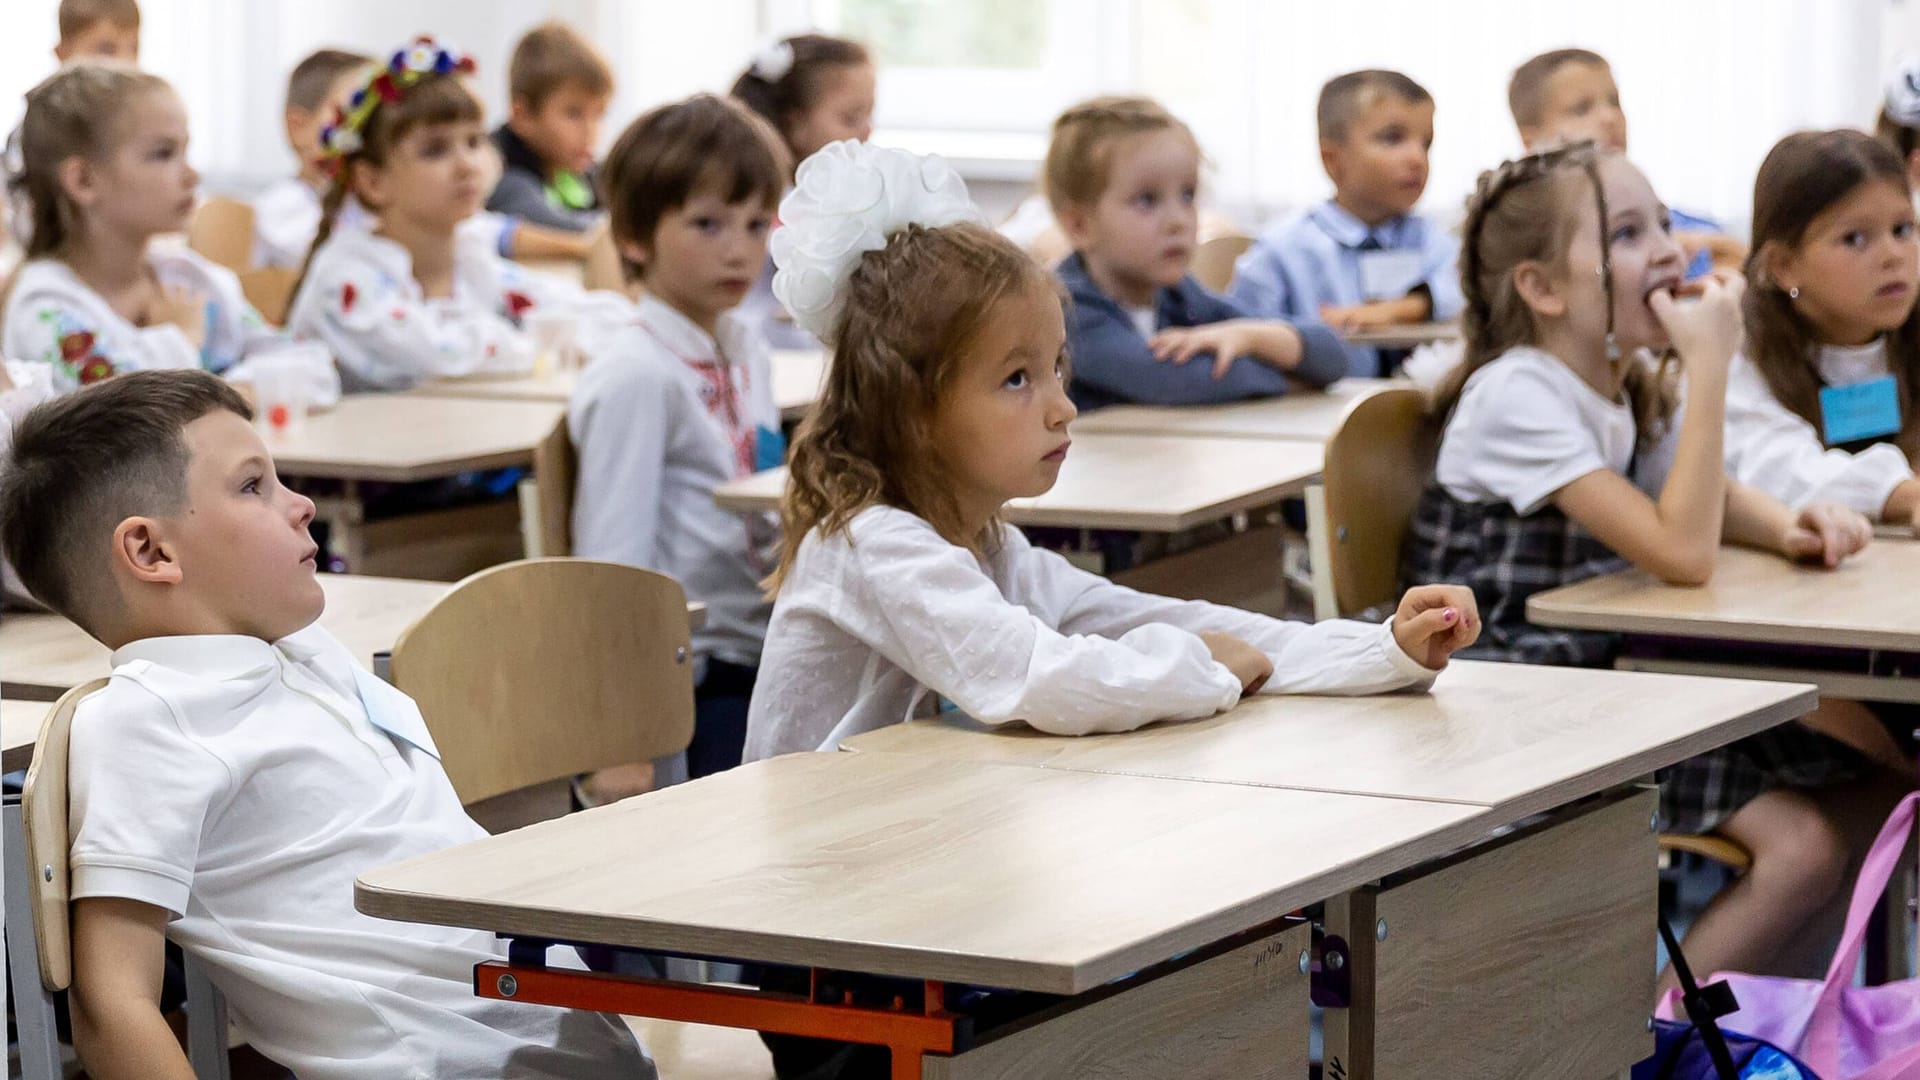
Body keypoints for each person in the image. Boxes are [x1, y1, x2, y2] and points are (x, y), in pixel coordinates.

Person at [0, 369, 652, 1080]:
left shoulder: (304, 649)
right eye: (254, 486)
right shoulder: (146, 720)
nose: (302, 505)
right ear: (152, 552)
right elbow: (113, 1005)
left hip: (564, 1037)